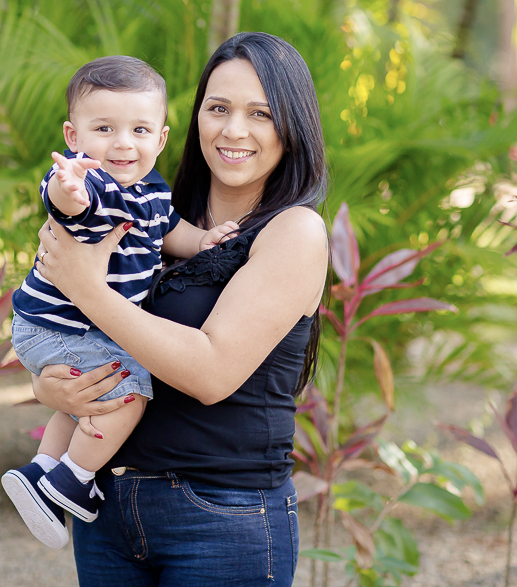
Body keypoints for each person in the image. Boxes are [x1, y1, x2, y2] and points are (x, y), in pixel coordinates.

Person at [30, 32, 329, 587]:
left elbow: (211, 372)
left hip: (222, 519)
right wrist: (51, 388)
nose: (233, 130)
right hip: (108, 509)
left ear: (292, 126)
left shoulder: (295, 231)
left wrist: (87, 287)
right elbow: (77, 327)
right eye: (218, 108)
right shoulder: (156, 211)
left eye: (260, 113)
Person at [2, 55, 238, 550]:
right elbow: (68, 201)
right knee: (127, 394)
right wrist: (70, 189)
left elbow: (170, 232)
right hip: (63, 326)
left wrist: (203, 242)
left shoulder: (151, 191)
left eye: (138, 129)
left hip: (64, 329)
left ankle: (42, 471)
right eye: (104, 128)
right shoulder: (92, 182)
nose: (122, 143)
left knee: (80, 401)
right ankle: (73, 480)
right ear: (73, 136)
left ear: (162, 138)